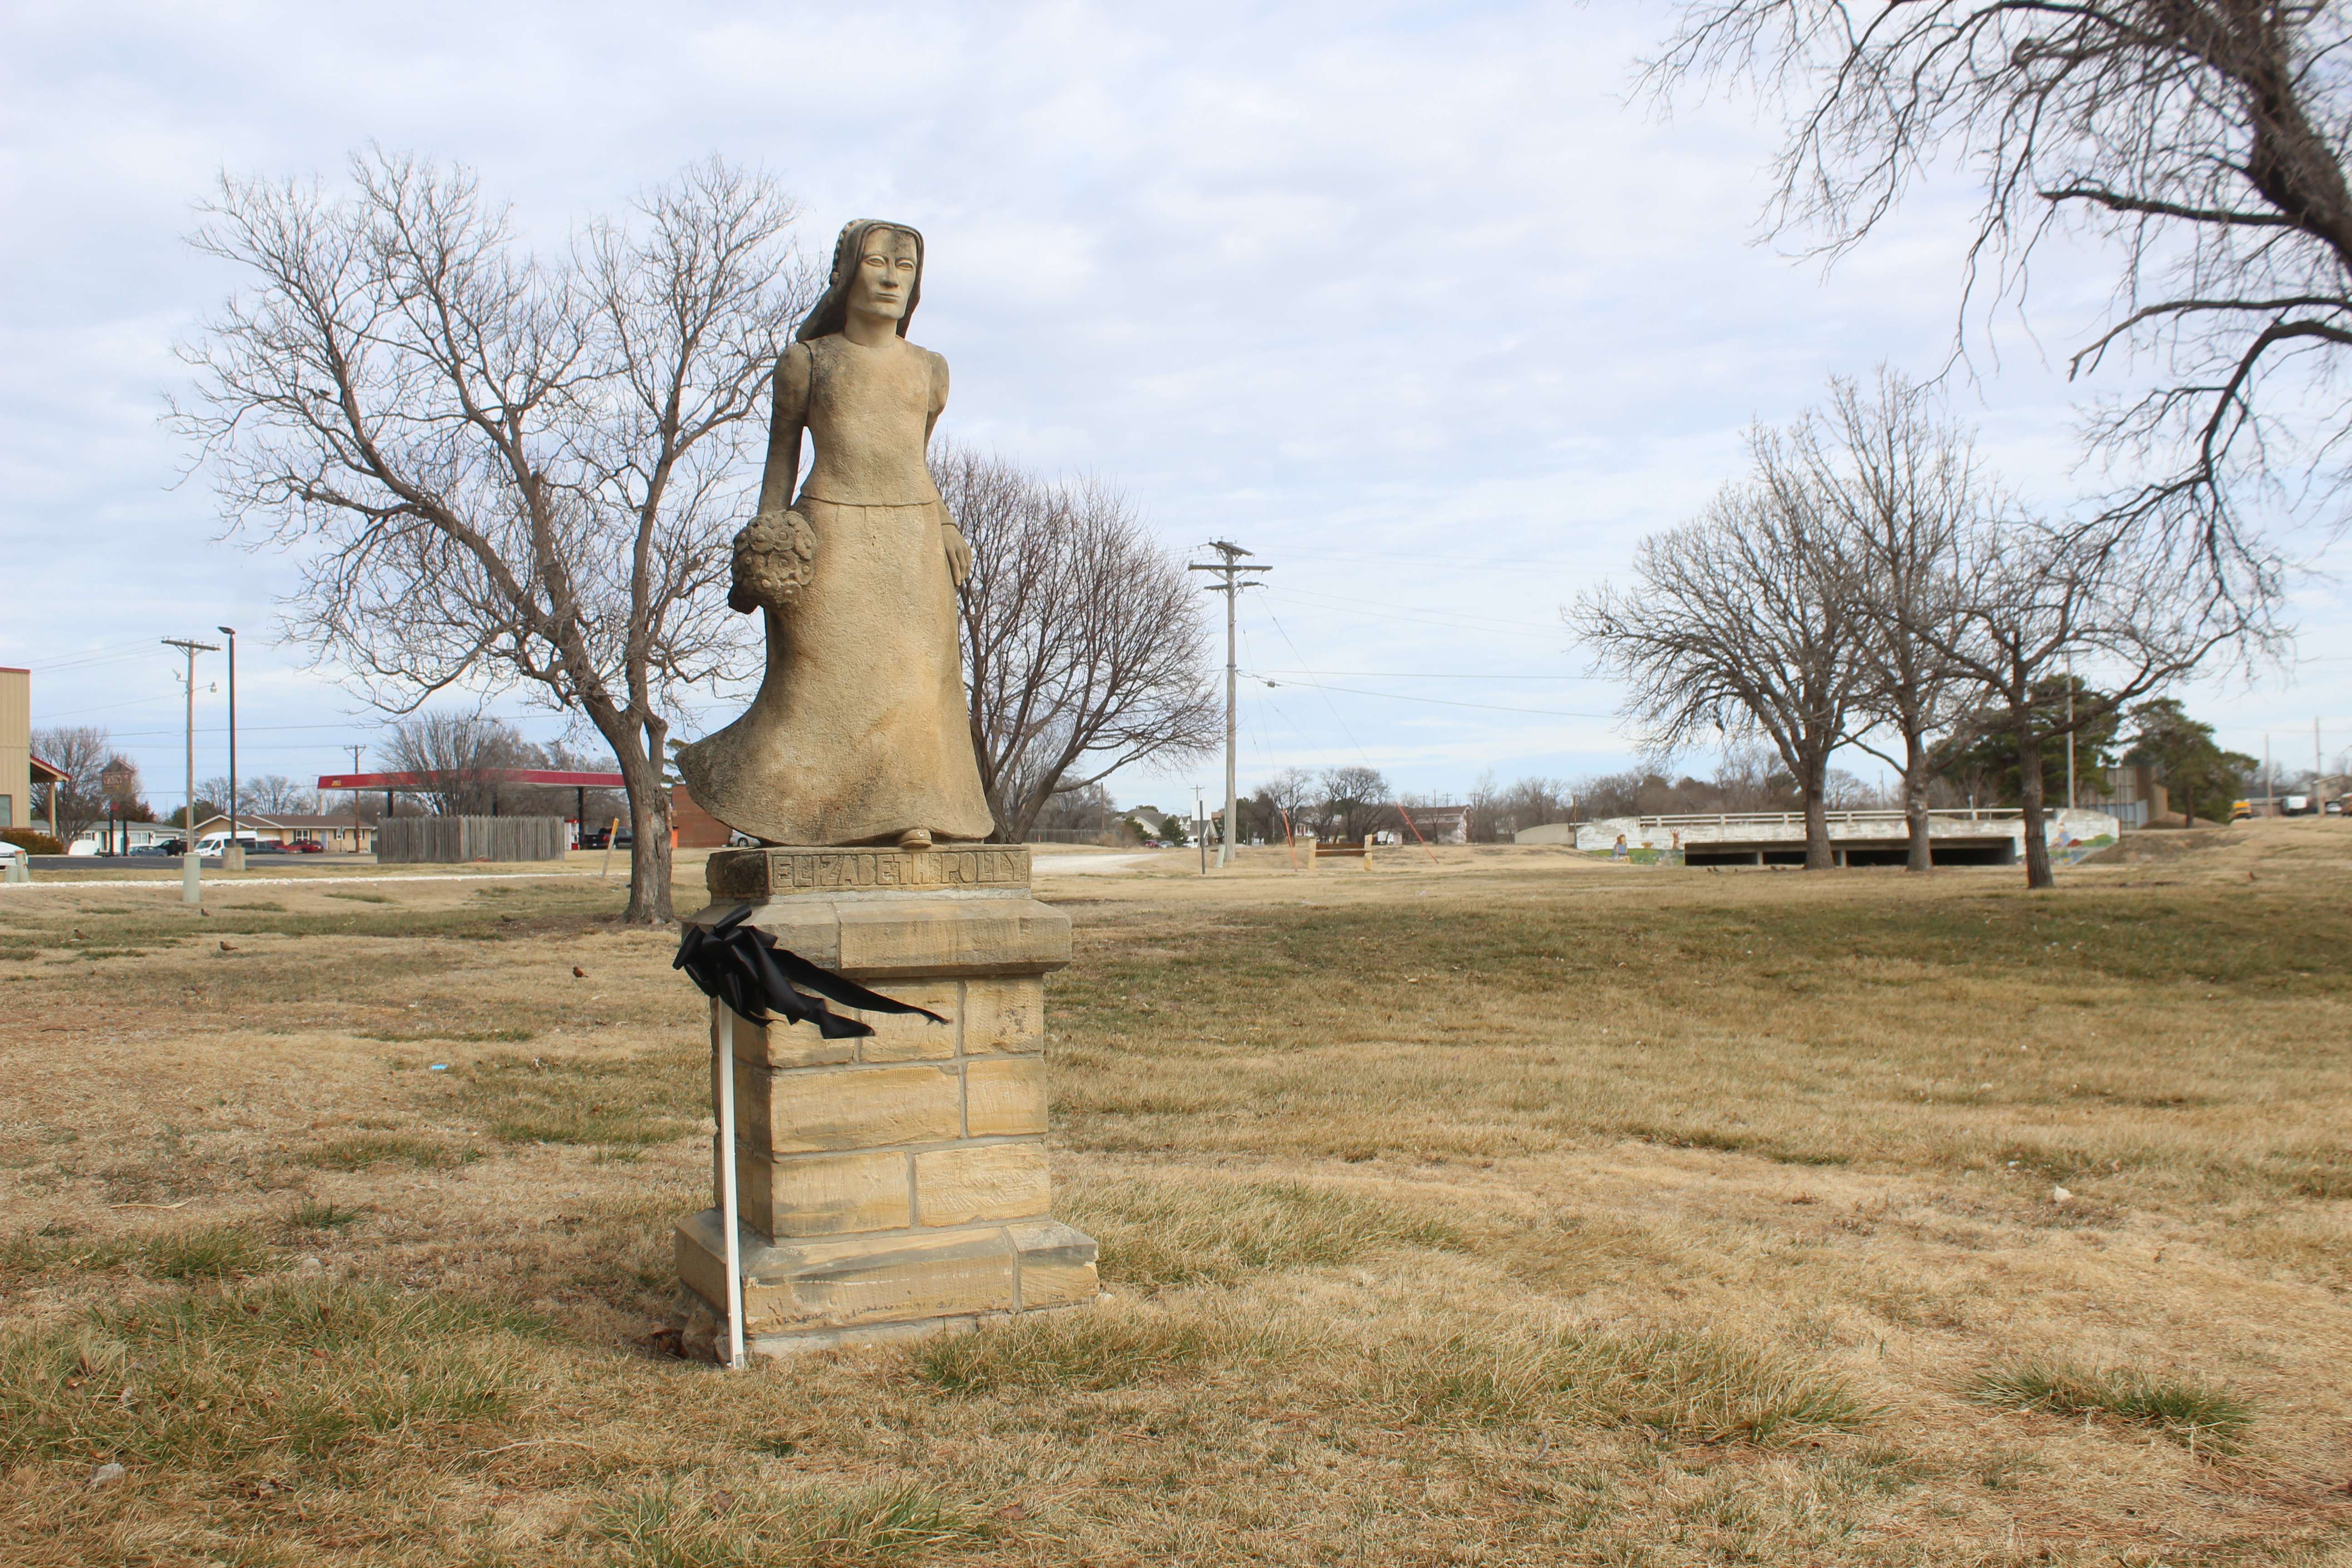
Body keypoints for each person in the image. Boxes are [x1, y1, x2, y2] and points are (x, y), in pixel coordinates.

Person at [677, 220, 994, 848]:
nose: (889, 278)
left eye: (904, 268)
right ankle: (793, 814)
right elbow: (780, 458)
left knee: (914, 682)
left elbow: (914, 461)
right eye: (877, 263)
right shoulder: (808, 362)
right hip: (830, 535)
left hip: (911, 540)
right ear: (849, 274)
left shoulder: (930, 370)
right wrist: (766, 547)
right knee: (810, 684)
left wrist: (947, 523)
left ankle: (914, 812)